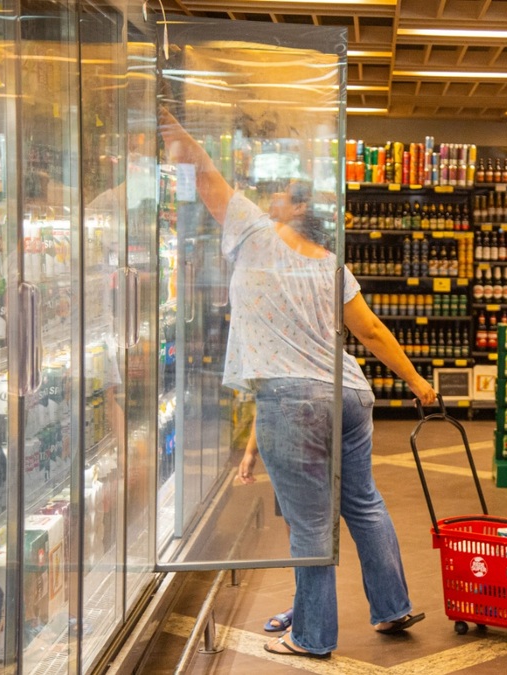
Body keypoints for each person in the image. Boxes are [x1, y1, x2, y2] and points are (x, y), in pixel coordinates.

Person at [159, 108, 436, 660]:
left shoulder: (255, 233)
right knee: (363, 502)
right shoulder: (329, 262)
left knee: (309, 522)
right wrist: (418, 384)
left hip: (295, 400)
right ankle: (391, 606)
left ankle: (312, 635)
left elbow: (206, 172)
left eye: (279, 195)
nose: (267, 201)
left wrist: (170, 127)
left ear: (297, 209)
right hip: (350, 395)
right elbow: (372, 331)